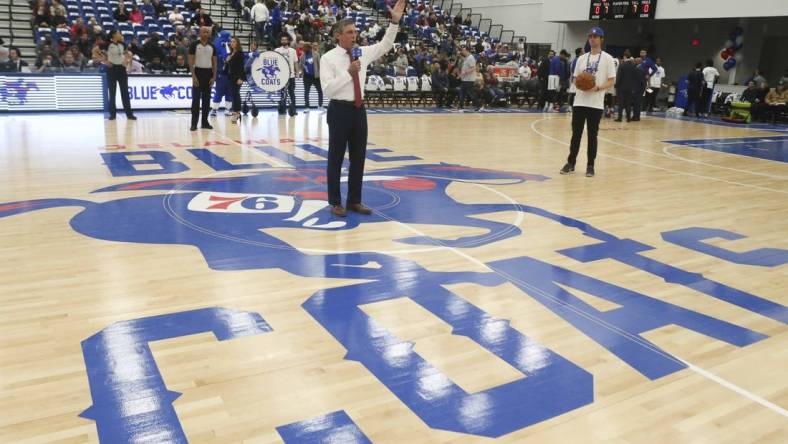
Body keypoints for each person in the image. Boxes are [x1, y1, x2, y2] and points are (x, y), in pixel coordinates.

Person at [320, 0, 406, 217]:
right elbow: (328, 90)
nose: (354, 36)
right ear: (338, 35)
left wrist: (394, 22)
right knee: (336, 158)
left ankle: (354, 200)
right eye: (349, 32)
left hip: (359, 110)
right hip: (339, 110)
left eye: (355, 32)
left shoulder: (363, 53)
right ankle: (335, 202)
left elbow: (386, 44)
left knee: (358, 157)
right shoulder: (328, 58)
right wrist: (348, 73)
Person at [560, 26, 616, 178]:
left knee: (592, 135)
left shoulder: (608, 59)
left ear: (601, 39)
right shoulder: (581, 59)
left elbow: (611, 81)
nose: (592, 38)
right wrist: (580, 83)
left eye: (595, 36)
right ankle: (571, 163)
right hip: (579, 101)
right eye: (590, 36)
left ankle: (590, 165)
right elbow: (574, 78)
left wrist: (598, 88)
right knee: (575, 134)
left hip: (595, 103)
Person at [189, 26, 217, 131]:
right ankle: (193, 124)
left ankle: (205, 122)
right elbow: (190, 61)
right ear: (200, 33)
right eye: (204, 32)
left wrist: (213, 77)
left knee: (206, 101)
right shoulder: (194, 45)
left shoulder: (212, 46)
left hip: (208, 73)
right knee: (195, 101)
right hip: (198, 73)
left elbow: (215, 62)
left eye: (207, 32)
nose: (206, 34)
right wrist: (193, 76)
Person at [103, 31, 136, 120]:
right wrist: (105, 62)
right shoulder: (107, 44)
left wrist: (127, 61)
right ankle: (112, 114)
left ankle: (129, 114)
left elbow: (128, 54)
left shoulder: (122, 44)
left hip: (121, 69)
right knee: (112, 92)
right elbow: (95, 51)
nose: (120, 35)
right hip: (111, 69)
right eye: (118, 33)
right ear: (113, 35)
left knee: (125, 92)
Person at [275, 33, 298, 116]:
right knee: (282, 93)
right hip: (281, 76)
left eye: (285, 39)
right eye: (282, 40)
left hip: (291, 75)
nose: (284, 41)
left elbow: (296, 62)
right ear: (281, 41)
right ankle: (282, 109)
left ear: (288, 41)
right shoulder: (277, 50)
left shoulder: (293, 51)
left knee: (292, 93)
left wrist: (297, 72)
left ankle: (294, 109)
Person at [225, 36, 245, 124]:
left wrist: (241, 78)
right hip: (231, 76)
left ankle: (237, 112)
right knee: (234, 94)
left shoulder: (240, 53)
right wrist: (227, 61)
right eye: (231, 42)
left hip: (237, 77)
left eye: (234, 42)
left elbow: (241, 67)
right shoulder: (231, 53)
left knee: (236, 93)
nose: (232, 43)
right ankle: (235, 111)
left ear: (237, 43)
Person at [457, 45, 483, 112]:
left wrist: (465, 72)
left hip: (469, 79)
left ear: (467, 51)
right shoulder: (467, 58)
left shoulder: (471, 58)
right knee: (462, 93)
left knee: (471, 93)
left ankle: (479, 106)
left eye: (463, 50)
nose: (462, 51)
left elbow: (473, 68)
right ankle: (461, 106)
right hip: (465, 79)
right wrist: (461, 75)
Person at [299, 42, 323, 110]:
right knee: (306, 92)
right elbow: (300, 65)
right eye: (303, 48)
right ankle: (307, 107)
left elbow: (320, 65)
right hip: (307, 77)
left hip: (316, 76)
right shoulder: (302, 56)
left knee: (320, 91)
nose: (303, 49)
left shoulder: (316, 54)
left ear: (309, 48)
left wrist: (320, 74)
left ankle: (320, 105)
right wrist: (301, 71)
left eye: (305, 48)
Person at [615, 55, 637, 122]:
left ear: (625, 57)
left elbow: (619, 76)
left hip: (621, 87)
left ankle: (620, 118)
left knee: (620, 103)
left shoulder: (622, 65)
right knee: (628, 103)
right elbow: (635, 77)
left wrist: (616, 85)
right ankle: (628, 118)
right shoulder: (633, 66)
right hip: (630, 87)